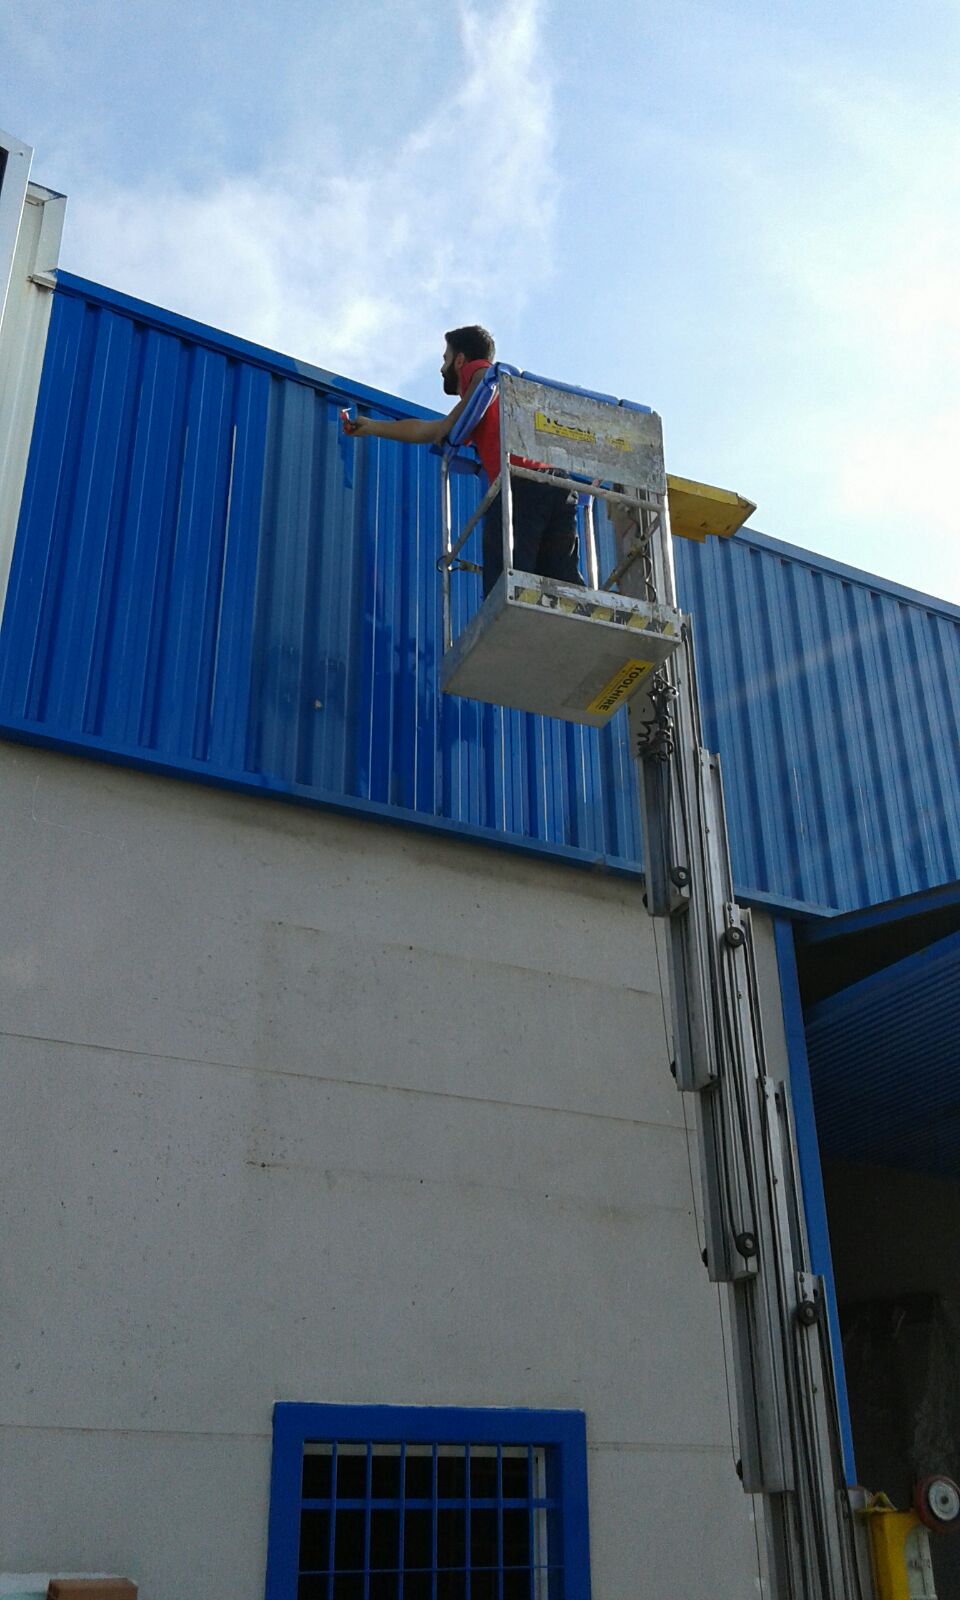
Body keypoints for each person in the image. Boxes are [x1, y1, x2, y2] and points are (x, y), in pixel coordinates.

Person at [342, 326, 583, 597]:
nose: (441, 368)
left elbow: (469, 392)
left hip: (520, 486)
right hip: (557, 484)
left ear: (460, 360)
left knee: (508, 588)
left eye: (445, 359)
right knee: (562, 581)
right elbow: (432, 430)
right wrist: (373, 426)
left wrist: (448, 422)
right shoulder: (493, 401)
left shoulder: (483, 376)